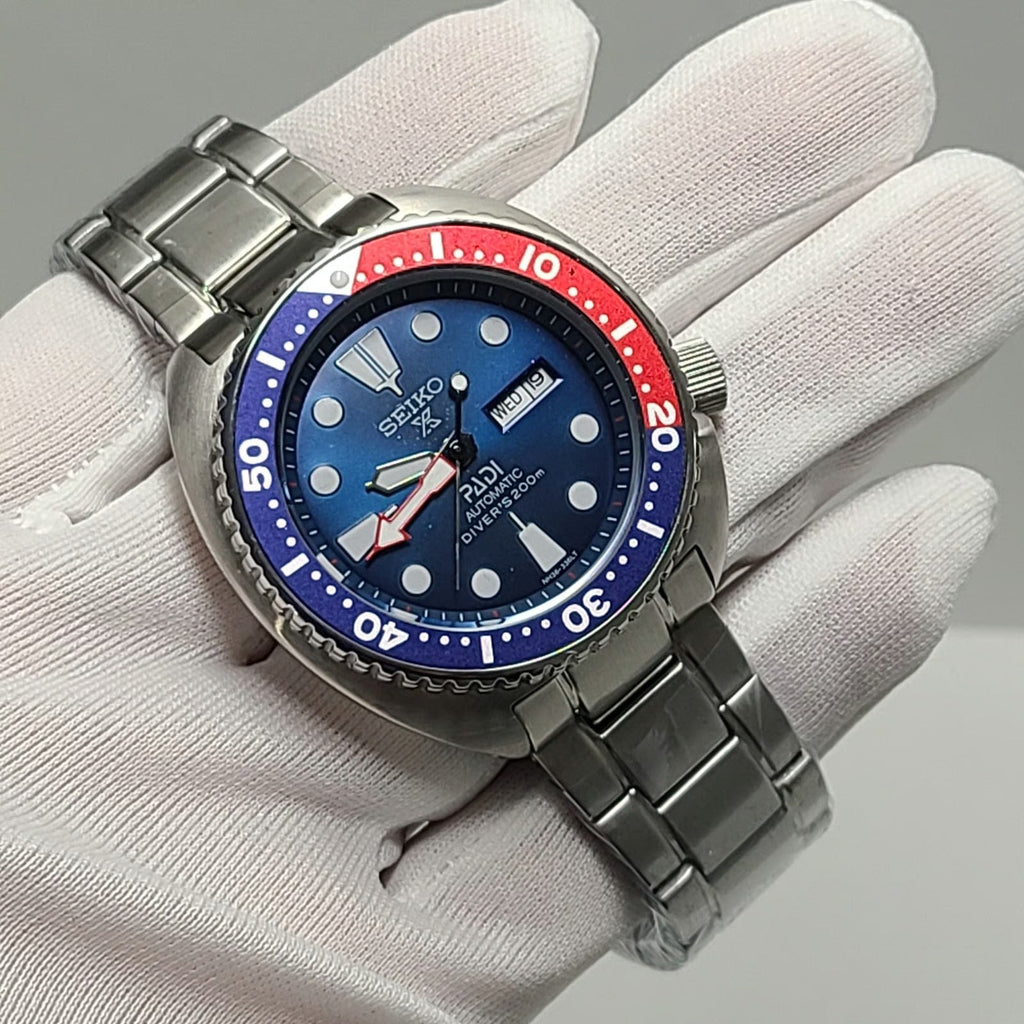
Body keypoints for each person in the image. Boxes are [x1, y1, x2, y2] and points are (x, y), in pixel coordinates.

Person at [0, 0, 1020, 1020]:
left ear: (684, 383)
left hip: (608, 563)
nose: (451, 460)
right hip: (487, 642)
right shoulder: (275, 467)